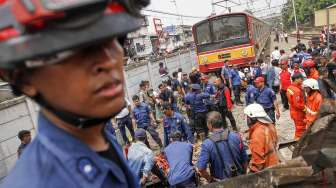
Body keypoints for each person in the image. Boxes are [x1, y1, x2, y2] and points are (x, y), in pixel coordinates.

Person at [0, 1, 148, 187]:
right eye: (76, 51)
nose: (108, 61)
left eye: (113, 38)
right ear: (23, 79)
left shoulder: (99, 138)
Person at [197, 111, 248, 182]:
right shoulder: (236, 136)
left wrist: (210, 180)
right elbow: (245, 159)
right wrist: (244, 174)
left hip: (220, 182)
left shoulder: (207, 144)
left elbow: (201, 168)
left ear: (210, 125)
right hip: (240, 178)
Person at [243, 104, 279, 172]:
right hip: (275, 162)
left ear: (252, 118)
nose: (246, 119)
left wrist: (250, 171)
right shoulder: (270, 125)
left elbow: (258, 163)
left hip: (267, 169)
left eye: (247, 117)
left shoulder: (257, 135)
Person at [286, 73, 306, 139]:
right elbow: (298, 104)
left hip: (293, 111)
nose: (302, 80)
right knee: (300, 129)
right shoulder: (296, 91)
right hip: (298, 113)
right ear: (296, 79)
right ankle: (298, 143)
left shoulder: (290, 87)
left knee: (298, 128)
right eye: (301, 79)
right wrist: (305, 109)